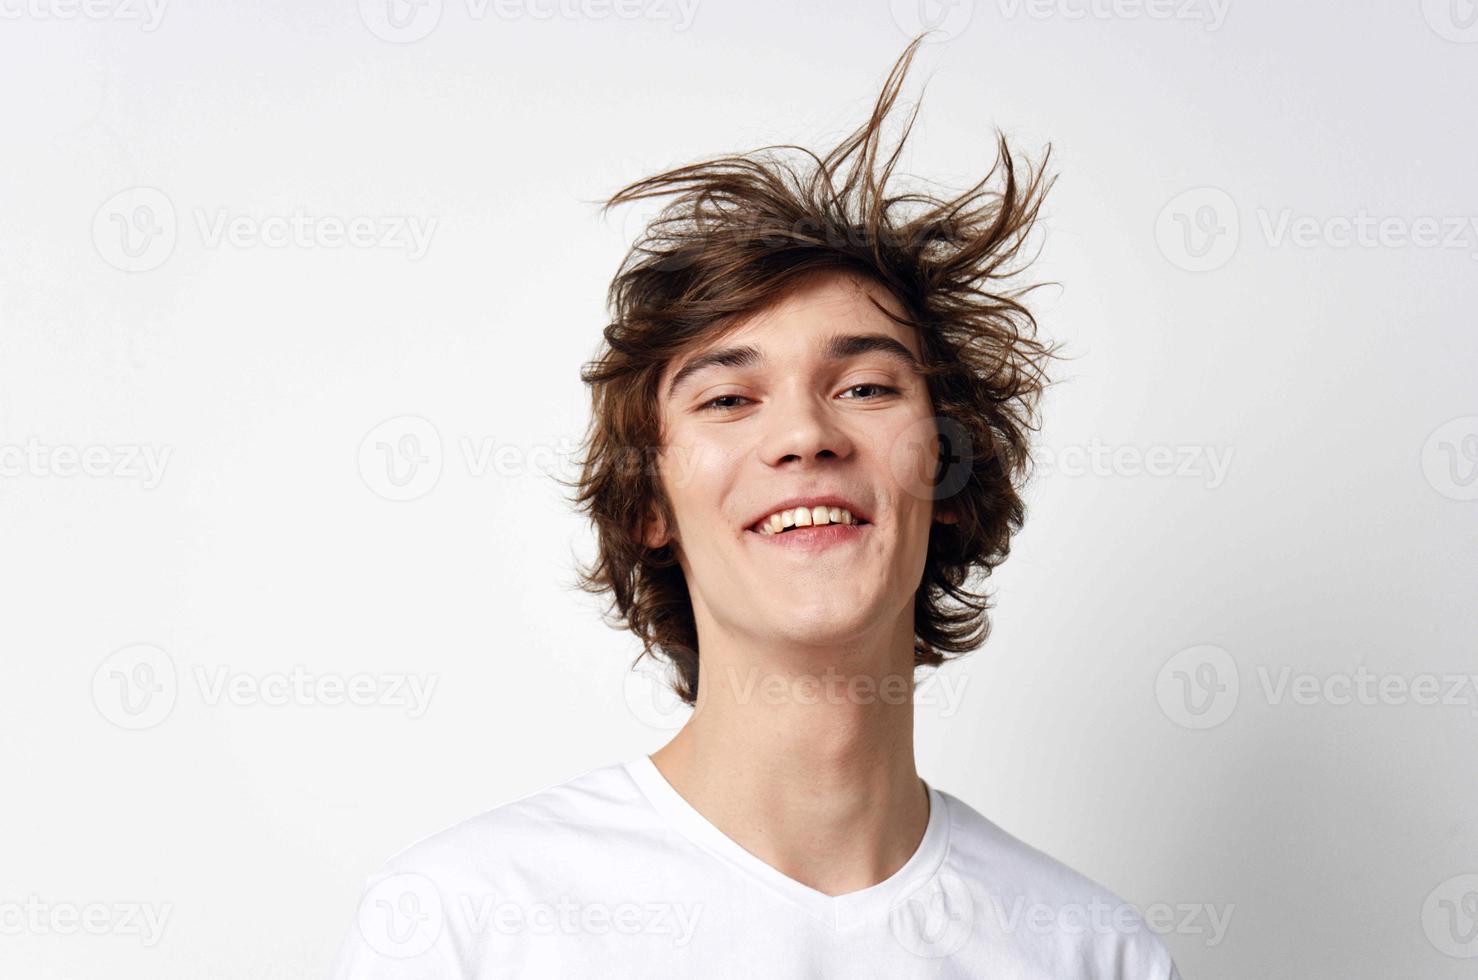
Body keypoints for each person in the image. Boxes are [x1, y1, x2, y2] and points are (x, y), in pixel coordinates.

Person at [327, 33, 1183, 979]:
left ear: (944, 473)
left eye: (864, 387)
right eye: (729, 400)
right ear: (649, 502)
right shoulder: (468, 923)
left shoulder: (1088, 951)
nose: (805, 436)